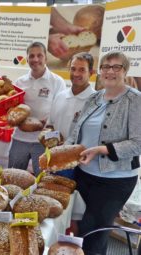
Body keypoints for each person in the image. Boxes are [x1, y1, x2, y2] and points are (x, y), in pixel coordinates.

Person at [66, 51, 141, 255]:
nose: (110, 71)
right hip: (84, 175)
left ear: (125, 71)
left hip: (115, 181)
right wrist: (63, 153)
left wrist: (102, 150)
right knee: (81, 227)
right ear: (100, 71)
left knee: (92, 232)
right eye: (106, 67)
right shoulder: (93, 98)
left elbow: (138, 143)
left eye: (116, 67)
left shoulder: (134, 100)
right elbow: (75, 132)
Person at [8, 42, 66, 175]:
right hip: (19, 138)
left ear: (46, 58)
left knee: (42, 180)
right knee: (12, 176)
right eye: (32, 56)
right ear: (27, 59)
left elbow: (60, 111)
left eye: (39, 55)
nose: (35, 59)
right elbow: (13, 110)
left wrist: (47, 125)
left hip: (44, 141)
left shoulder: (57, 81)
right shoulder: (19, 82)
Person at [47, 52, 96, 139]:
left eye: (82, 70)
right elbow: (50, 126)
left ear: (91, 73)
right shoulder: (60, 96)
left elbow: (95, 136)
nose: (76, 74)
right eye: (73, 69)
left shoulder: (96, 101)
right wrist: (56, 140)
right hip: (54, 152)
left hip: (82, 152)